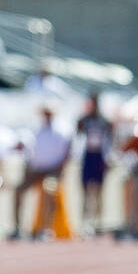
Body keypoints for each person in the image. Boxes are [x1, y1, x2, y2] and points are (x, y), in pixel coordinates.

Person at [11, 102, 71, 240]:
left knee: (48, 189)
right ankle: (17, 228)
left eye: (48, 114)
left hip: (52, 170)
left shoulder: (61, 131)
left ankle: (45, 229)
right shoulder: (35, 130)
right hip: (36, 170)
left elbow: (67, 153)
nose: (46, 116)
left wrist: (60, 169)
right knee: (18, 190)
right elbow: (27, 148)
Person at [76, 92, 113, 233]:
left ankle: (98, 221)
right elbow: (78, 136)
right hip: (88, 155)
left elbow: (110, 140)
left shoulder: (104, 121)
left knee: (99, 190)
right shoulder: (84, 120)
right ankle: (84, 221)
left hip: (99, 156)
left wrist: (108, 157)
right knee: (85, 189)